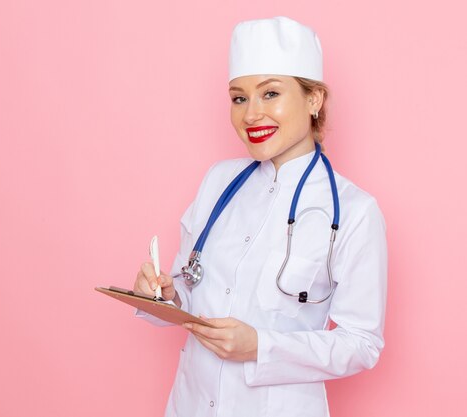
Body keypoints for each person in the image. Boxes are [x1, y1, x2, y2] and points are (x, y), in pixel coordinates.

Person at [132, 16, 387, 417]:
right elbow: (187, 289)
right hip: (191, 405)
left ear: (314, 99)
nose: (251, 114)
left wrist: (262, 347)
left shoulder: (354, 212)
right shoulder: (218, 182)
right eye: (239, 98)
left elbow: (362, 343)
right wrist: (163, 297)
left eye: (270, 93)